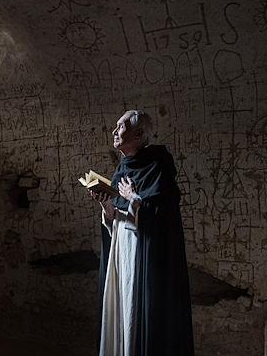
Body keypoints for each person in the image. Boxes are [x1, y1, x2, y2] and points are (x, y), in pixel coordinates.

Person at [90, 110, 194, 356]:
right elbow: (117, 220)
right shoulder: (121, 170)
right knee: (122, 309)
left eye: (121, 126)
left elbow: (162, 217)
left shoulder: (157, 166)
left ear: (138, 134)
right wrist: (106, 206)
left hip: (143, 259)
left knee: (138, 311)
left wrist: (133, 199)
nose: (115, 131)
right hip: (121, 255)